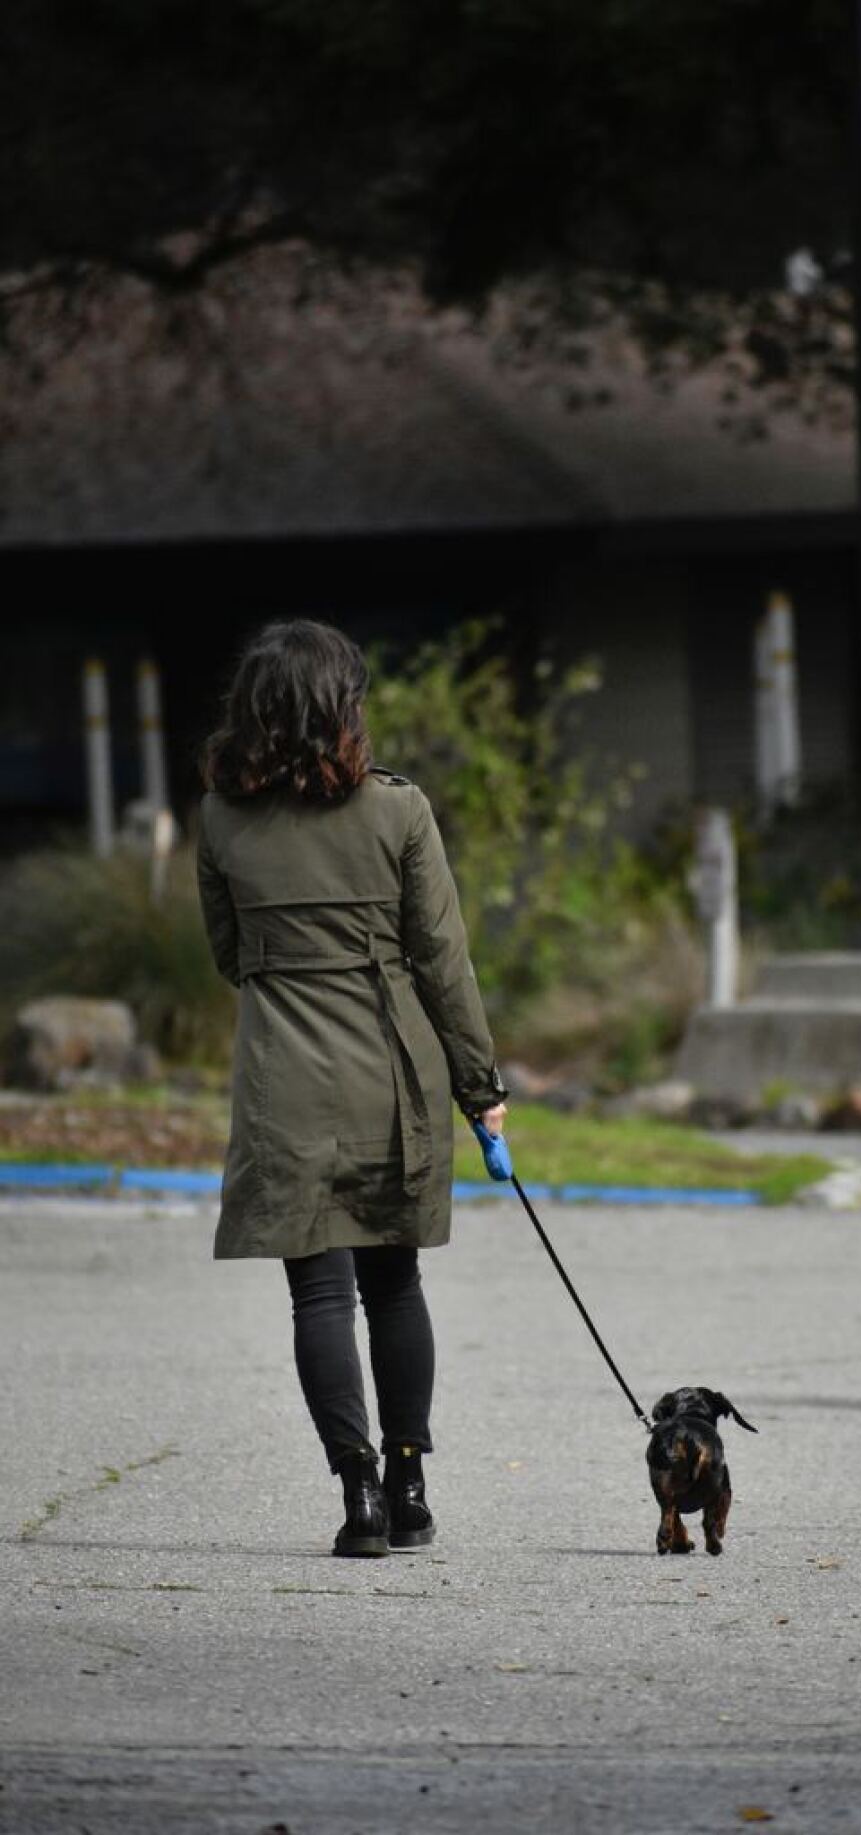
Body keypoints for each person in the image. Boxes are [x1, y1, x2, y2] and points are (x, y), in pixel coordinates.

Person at [196, 619, 507, 1557]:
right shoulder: (398, 812)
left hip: (282, 1083)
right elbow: (442, 960)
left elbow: (229, 957)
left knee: (318, 1299)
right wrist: (480, 1086)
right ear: (343, 710)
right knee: (395, 1283)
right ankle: (410, 1485)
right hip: (391, 1076)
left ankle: (359, 1494)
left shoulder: (219, 819)